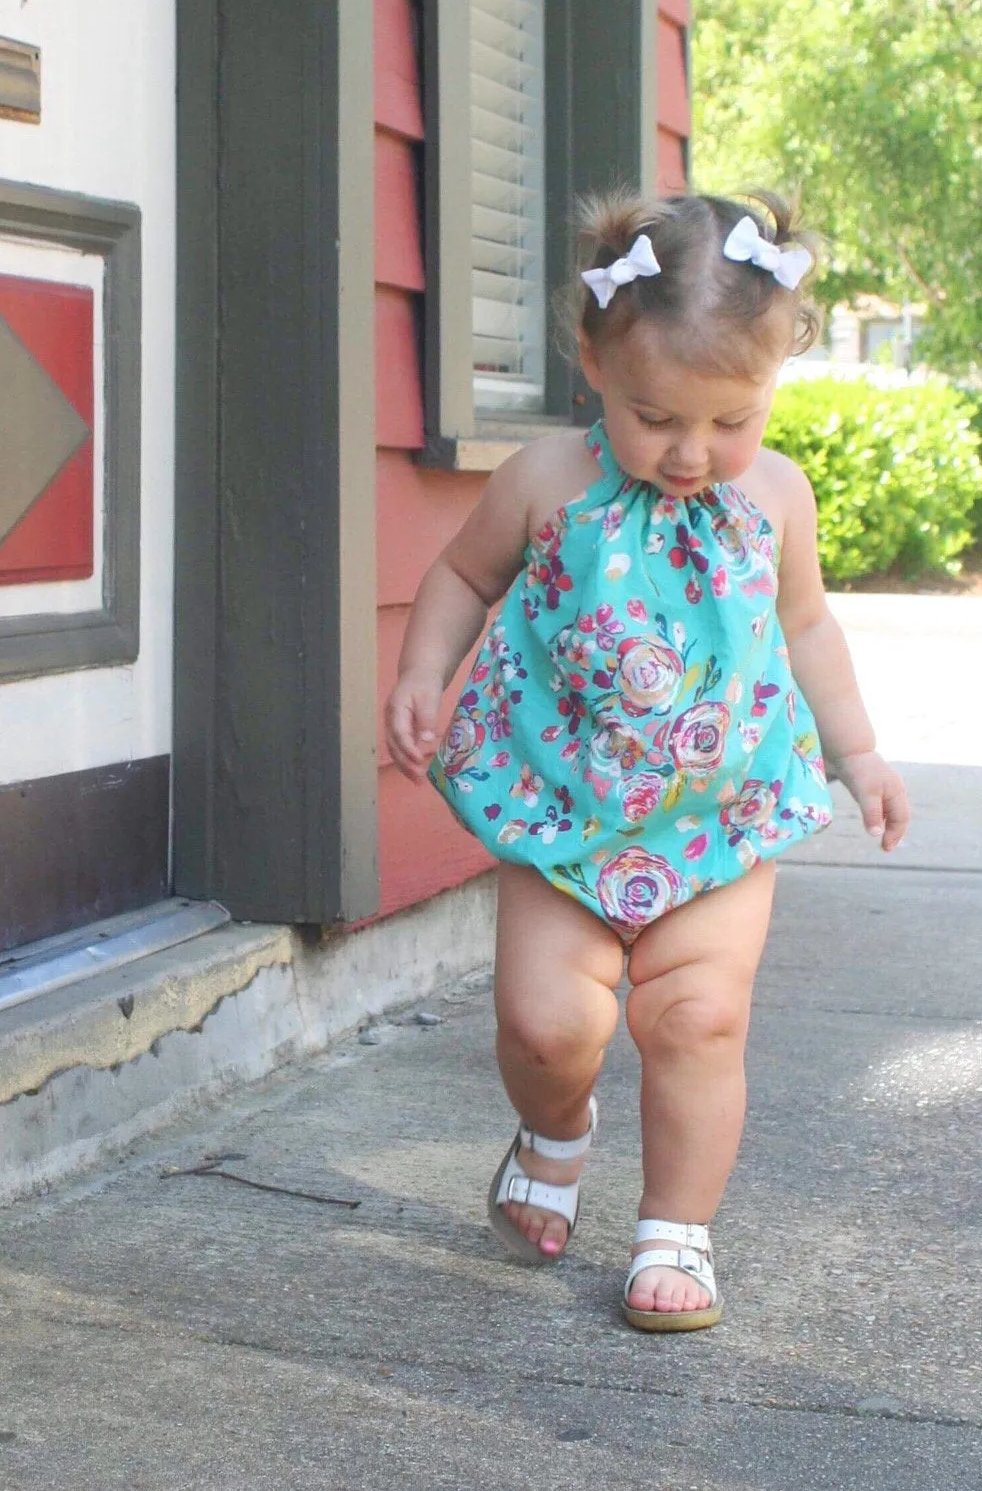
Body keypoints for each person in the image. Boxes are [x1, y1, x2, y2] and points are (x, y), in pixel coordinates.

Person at [384, 191, 910, 1332]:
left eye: (732, 418)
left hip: (718, 823)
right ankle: (555, 1130)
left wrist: (855, 749)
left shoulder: (775, 498)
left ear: (776, 380)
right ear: (592, 361)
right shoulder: (545, 482)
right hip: (566, 813)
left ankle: (677, 1230)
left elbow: (809, 626)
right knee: (547, 1027)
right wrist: (425, 672)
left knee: (698, 1020)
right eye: (656, 416)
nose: (692, 452)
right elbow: (464, 577)